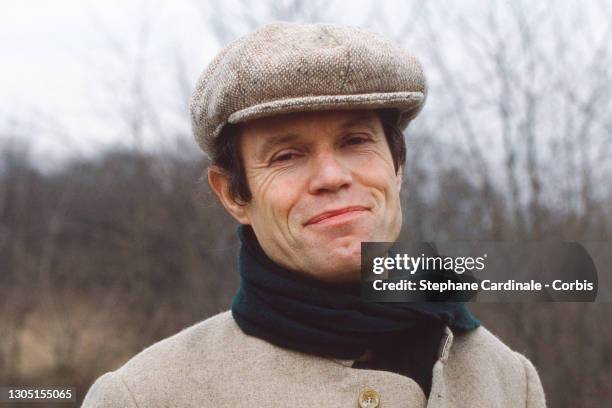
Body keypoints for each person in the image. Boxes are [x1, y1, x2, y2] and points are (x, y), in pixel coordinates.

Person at [82, 22, 546, 407]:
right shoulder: (146, 396)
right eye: (287, 155)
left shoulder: (507, 380)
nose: (331, 176)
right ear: (232, 194)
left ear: (398, 166)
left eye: (356, 141)